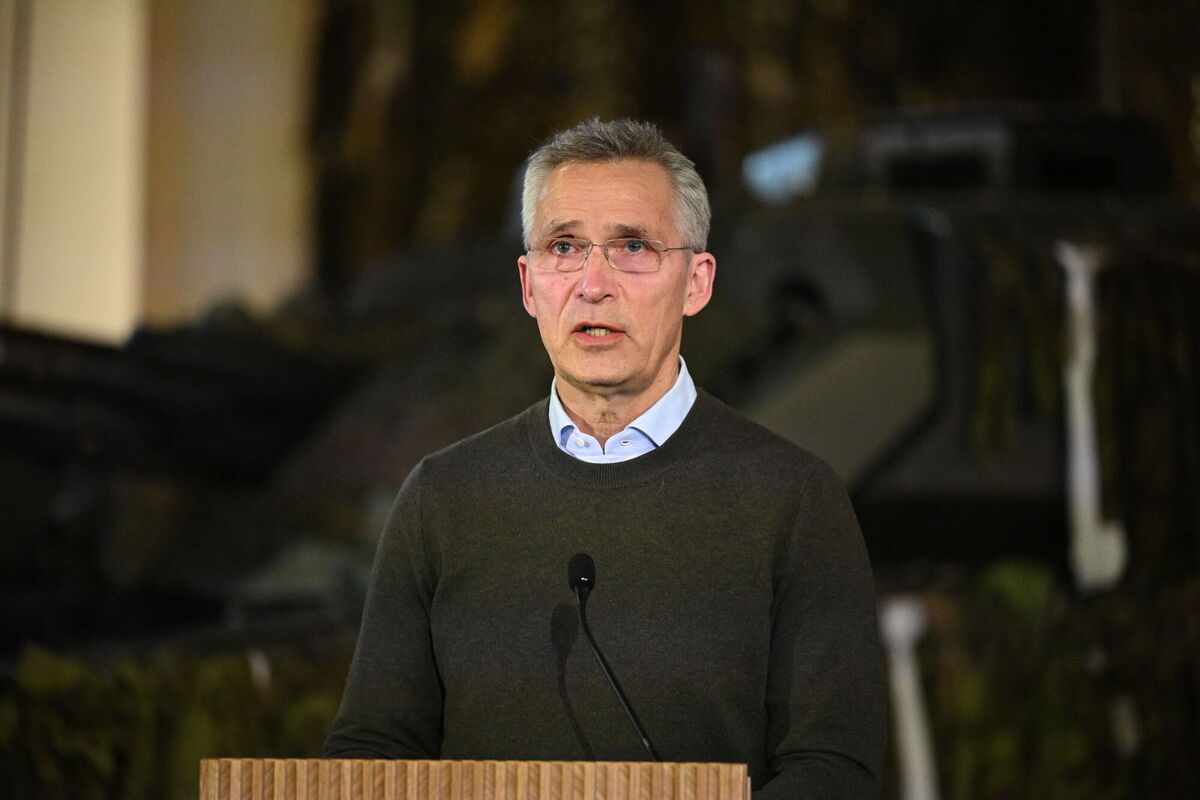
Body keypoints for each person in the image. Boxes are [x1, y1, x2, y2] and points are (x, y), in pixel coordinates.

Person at [324, 118, 886, 799]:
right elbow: (373, 753)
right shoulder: (444, 497)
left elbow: (834, 768)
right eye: (565, 246)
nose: (594, 283)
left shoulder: (794, 499)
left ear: (697, 282)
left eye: (633, 248)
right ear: (530, 286)